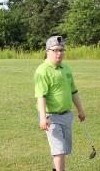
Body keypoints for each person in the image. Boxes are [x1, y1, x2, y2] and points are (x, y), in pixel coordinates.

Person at [34, 35, 85, 171]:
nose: (59, 53)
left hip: (66, 115)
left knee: (62, 150)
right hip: (51, 117)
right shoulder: (42, 71)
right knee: (59, 150)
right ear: (47, 51)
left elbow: (73, 91)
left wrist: (80, 110)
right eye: (55, 50)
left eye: (61, 50)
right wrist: (43, 118)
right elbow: (41, 96)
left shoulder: (66, 68)